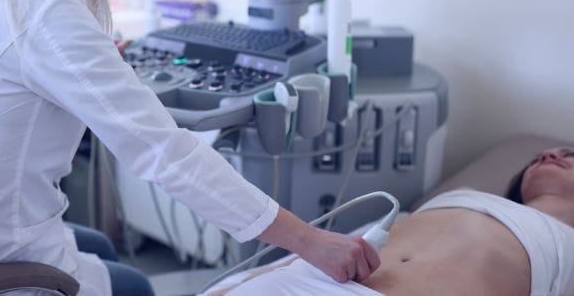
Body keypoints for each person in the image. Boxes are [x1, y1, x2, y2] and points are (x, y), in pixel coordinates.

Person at [0, 0, 380, 295]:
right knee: (134, 283)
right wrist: (309, 241)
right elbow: (166, 152)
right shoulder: (43, 11)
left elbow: (19, 72)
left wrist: (91, 58)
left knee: (98, 245)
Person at [208, 147, 574, 296]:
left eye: (570, 154)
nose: (551, 152)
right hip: (300, 282)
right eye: (549, 152)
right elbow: (329, 250)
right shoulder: (463, 197)